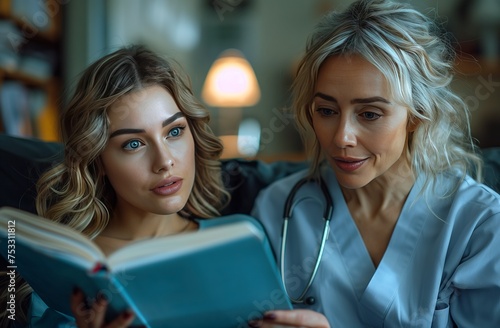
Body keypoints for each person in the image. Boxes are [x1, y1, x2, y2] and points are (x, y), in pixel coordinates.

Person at [250, 0, 500, 327]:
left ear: (417, 114)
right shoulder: (278, 210)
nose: (342, 138)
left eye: (369, 114)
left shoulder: (479, 224)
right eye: (326, 111)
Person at [0, 45, 261, 328]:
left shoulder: (242, 242)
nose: (164, 162)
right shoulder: (67, 268)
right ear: (97, 161)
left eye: (174, 132)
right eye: (133, 144)